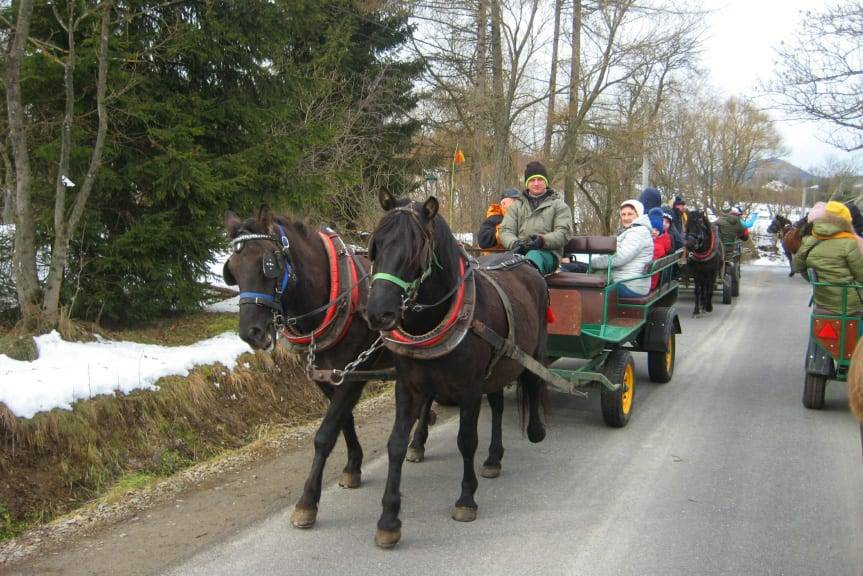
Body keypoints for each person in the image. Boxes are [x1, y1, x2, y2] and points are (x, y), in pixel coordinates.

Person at [500, 160, 574, 274]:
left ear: (546, 182)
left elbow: (564, 232)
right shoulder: (516, 207)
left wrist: (542, 241)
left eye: (540, 180)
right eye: (532, 180)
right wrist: (515, 243)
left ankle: (525, 290)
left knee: (531, 258)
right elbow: (505, 230)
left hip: (548, 254)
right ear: (527, 183)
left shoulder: (559, 206)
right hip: (519, 252)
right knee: (499, 263)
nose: (536, 183)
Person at [793, 201, 863, 314]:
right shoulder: (850, 243)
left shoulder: (809, 240)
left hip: (821, 300)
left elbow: (797, 267)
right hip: (849, 305)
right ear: (846, 222)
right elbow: (861, 276)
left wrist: (814, 281)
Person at [590, 199, 654, 297]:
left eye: (630, 214)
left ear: (638, 215)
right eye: (623, 214)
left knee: (589, 289)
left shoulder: (638, 232)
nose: (626, 218)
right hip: (628, 280)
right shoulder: (634, 230)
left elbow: (620, 257)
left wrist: (592, 263)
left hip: (630, 284)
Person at [648, 207, 671, 290]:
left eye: (657, 230)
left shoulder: (658, 247)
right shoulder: (660, 239)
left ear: (660, 231)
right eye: (652, 229)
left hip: (650, 281)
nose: (654, 231)